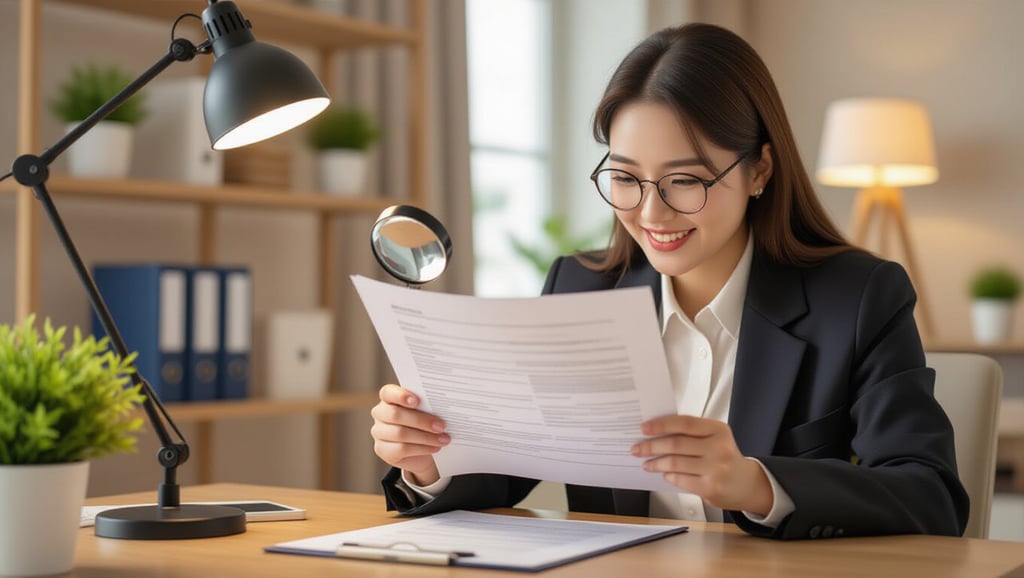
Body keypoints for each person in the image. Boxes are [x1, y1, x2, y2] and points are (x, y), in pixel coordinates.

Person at [369, 22, 968, 540]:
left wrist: (756, 484)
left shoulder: (858, 298)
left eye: (686, 181)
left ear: (759, 168)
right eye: (625, 178)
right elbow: (508, 471)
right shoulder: (580, 287)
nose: (651, 215)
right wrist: (428, 463)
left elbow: (930, 495)